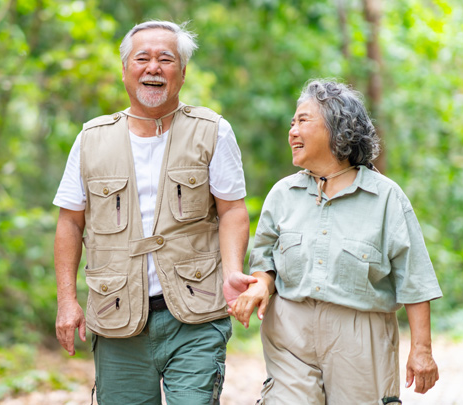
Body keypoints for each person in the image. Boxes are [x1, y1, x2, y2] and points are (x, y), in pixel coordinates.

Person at [53, 20, 255, 404]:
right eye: (142, 58)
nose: (153, 68)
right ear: (125, 69)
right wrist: (67, 300)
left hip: (195, 315)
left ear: (182, 72)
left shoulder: (212, 130)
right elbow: (70, 221)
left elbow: (232, 211)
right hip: (116, 317)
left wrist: (231, 271)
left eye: (166, 59)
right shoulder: (91, 139)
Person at [231, 79, 442, 404]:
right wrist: (260, 285)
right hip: (290, 332)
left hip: (360, 338)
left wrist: (422, 349)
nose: (292, 131)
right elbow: (265, 263)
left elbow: (414, 278)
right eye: (292, 123)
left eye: (303, 120)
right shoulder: (282, 194)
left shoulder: (386, 198)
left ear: (337, 128)